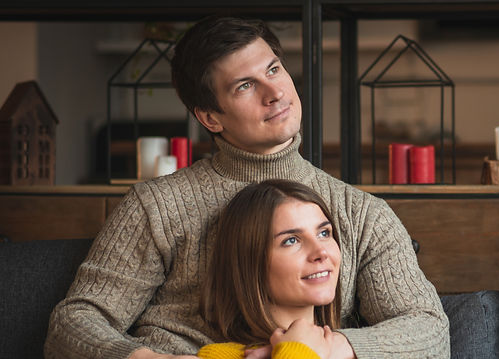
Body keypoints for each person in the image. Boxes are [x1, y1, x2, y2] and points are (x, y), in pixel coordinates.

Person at [45, 16, 449, 359]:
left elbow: (430, 331)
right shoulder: (156, 206)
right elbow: (74, 323)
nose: (275, 93)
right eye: (245, 85)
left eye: (274, 70)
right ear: (209, 117)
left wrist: (333, 347)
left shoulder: (361, 212)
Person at [197, 180, 345, 359]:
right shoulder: (220, 357)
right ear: (250, 263)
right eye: (291, 240)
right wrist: (298, 351)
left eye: (324, 233)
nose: (321, 251)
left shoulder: (355, 350)